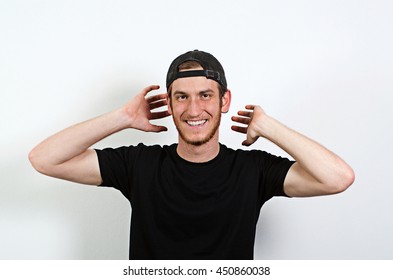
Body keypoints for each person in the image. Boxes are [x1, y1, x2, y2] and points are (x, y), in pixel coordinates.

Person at [29, 50, 355, 260]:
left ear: (224, 101)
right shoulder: (139, 164)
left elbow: (338, 178)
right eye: (182, 97)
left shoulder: (252, 170)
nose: (194, 109)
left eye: (205, 95)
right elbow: (44, 158)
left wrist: (269, 126)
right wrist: (122, 118)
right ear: (168, 104)